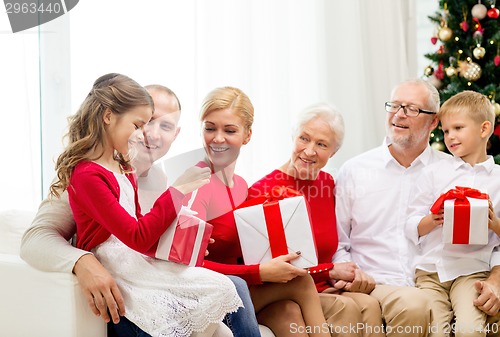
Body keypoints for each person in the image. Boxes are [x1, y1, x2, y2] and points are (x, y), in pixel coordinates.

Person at [21, 82, 263, 337]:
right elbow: (35, 239)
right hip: (121, 283)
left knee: (233, 288)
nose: (152, 133)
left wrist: (183, 240)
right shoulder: (89, 174)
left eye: (165, 125)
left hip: (145, 270)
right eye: (145, 122)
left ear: (176, 134)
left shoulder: (157, 178)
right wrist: (83, 261)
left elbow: (146, 233)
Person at [334, 78, 500, 337]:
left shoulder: (454, 170)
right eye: (394, 106)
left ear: (433, 121)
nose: (399, 115)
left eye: (411, 108)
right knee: (415, 307)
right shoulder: (355, 171)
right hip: (382, 283)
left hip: (444, 279)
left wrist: (495, 278)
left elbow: (491, 239)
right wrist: (351, 275)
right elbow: (338, 243)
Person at [185, 86, 331, 337]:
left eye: (229, 130)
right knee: (302, 282)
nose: (218, 138)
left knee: (289, 313)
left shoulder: (241, 185)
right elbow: (188, 266)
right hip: (209, 292)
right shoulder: (195, 186)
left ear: (247, 135)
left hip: (239, 287)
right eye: (210, 128)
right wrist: (259, 272)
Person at [248, 103, 384, 337]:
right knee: (347, 308)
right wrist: (329, 271)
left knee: (370, 305)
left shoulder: (328, 184)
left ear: (333, 152)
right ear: (293, 138)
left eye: (321, 144)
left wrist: (344, 274)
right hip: (281, 291)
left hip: (323, 287)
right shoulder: (262, 192)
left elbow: (339, 244)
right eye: (304, 138)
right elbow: (270, 268)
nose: (309, 151)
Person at [405, 91, 500, 337]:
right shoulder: (434, 173)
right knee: (435, 331)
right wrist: (431, 220)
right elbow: (410, 223)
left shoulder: (498, 179)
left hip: (472, 271)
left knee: (470, 330)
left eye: (458, 128)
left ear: (484, 129)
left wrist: (493, 224)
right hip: (430, 272)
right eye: (446, 131)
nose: (450, 137)